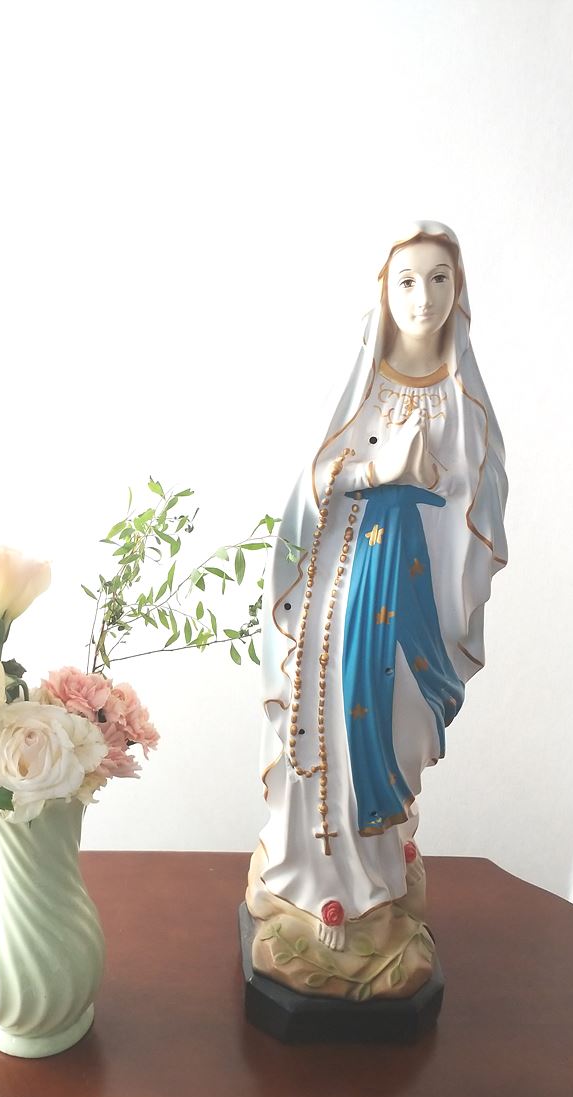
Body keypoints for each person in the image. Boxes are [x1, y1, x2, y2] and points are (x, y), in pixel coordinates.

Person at [246, 221, 508, 1000]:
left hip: (417, 599)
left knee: (393, 734)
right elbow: (310, 483)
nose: (423, 297)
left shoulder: (463, 396)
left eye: (438, 278)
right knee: (330, 720)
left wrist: (442, 481)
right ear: (383, 292)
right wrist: (375, 468)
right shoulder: (363, 378)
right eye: (406, 280)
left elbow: (481, 503)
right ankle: (328, 889)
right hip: (342, 588)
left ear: (459, 289)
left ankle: (380, 874)